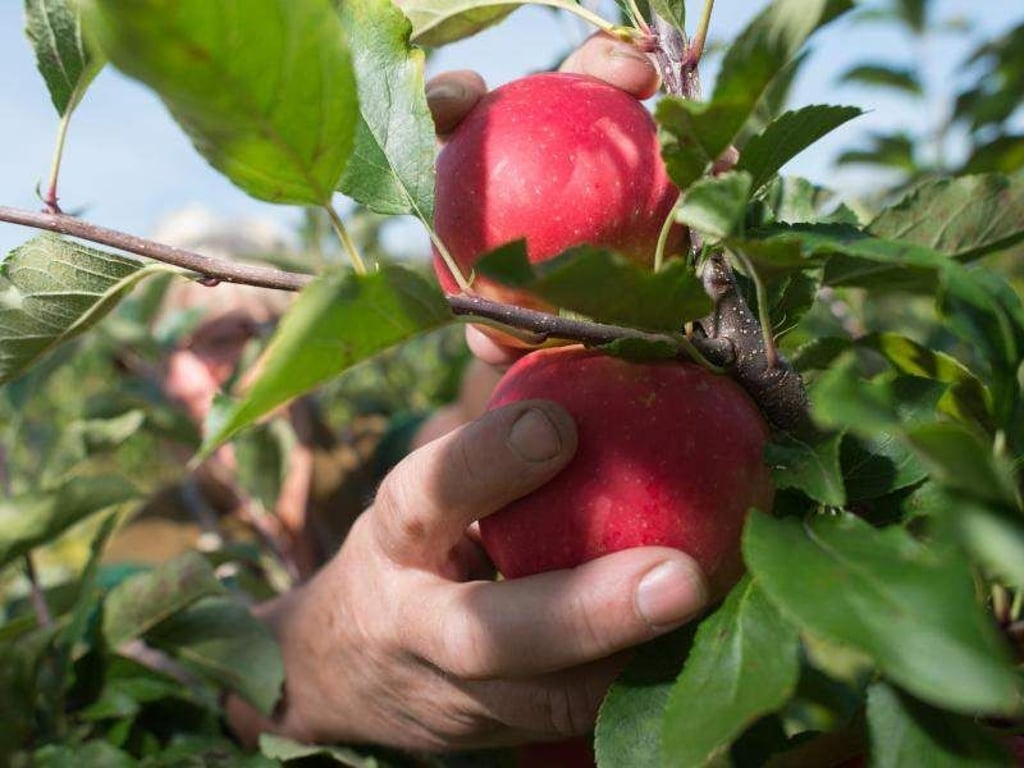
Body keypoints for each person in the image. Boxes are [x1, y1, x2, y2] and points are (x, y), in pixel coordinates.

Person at [222, 33, 711, 754]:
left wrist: (550, 193)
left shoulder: (362, 453)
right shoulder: (143, 534)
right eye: (206, 341)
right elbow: (138, 672)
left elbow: (476, 433)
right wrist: (325, 659)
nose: (238, 366)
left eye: (259, 334)